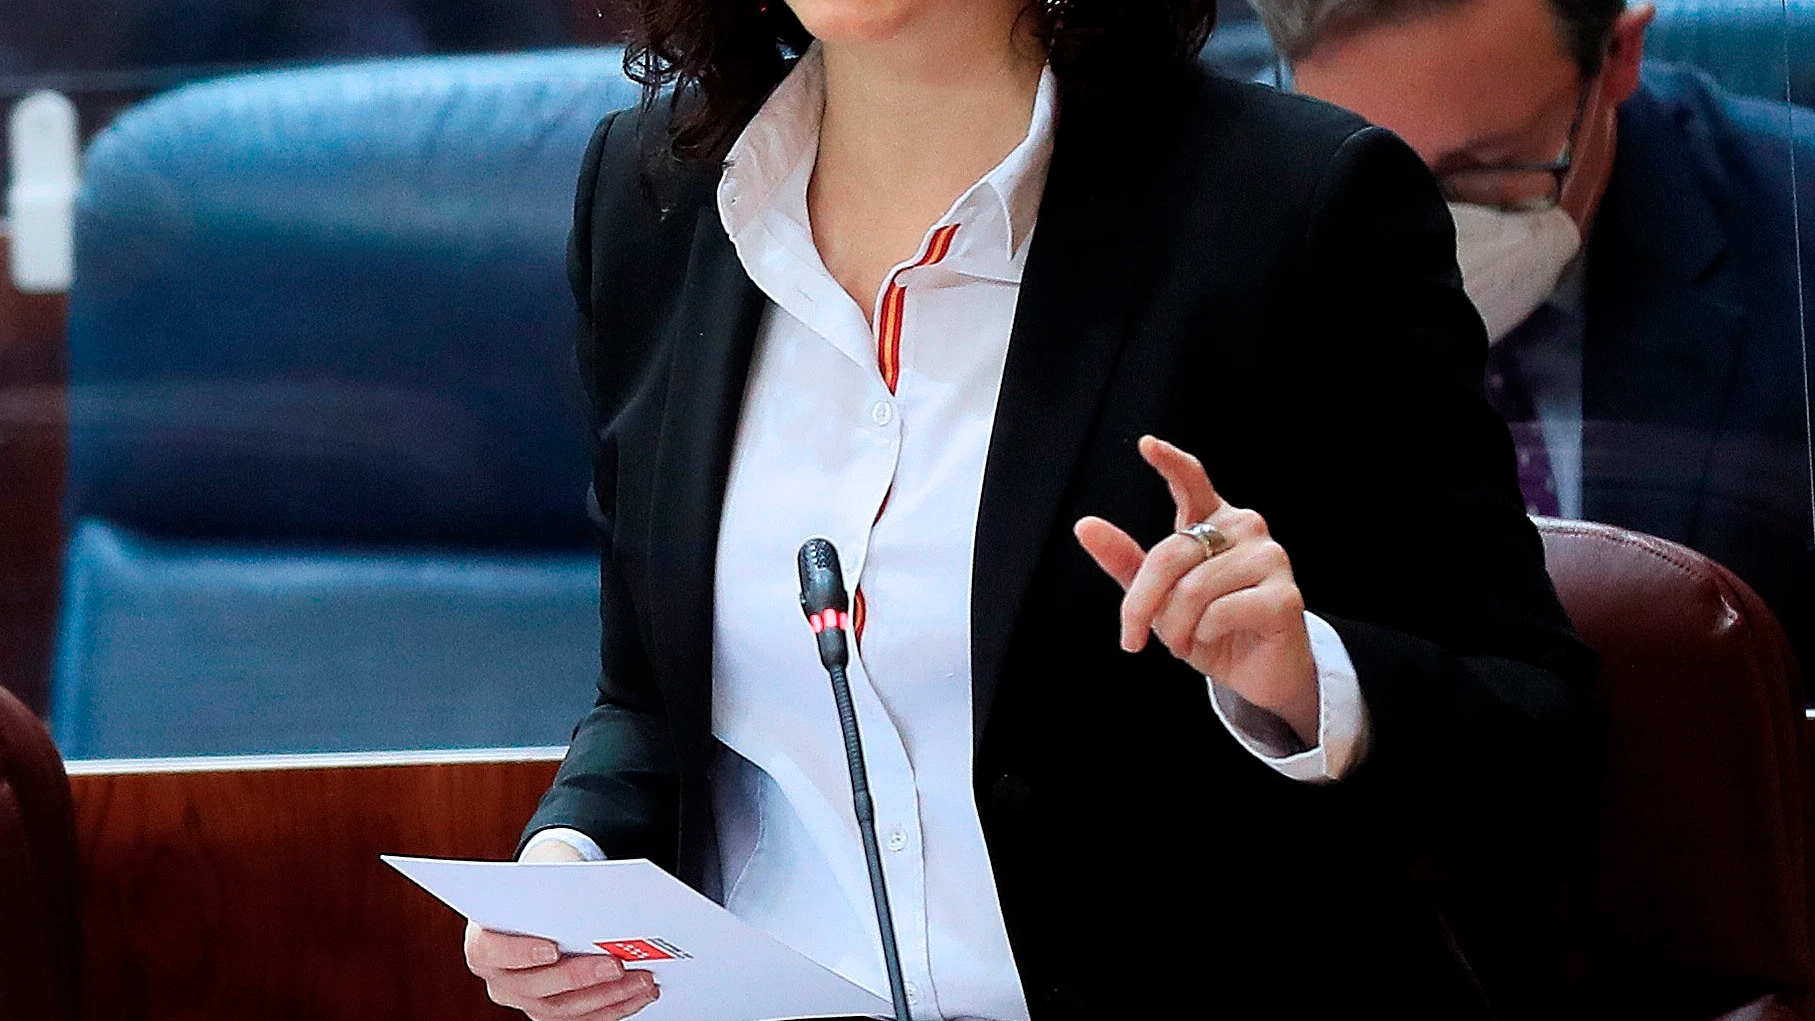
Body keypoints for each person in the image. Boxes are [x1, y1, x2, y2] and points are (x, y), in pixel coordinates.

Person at [463, 0, 1600, 1017]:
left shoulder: (1296, 206)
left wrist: (1303, 676)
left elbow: (1537, 744)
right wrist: (573, 856)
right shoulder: (651, 193)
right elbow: (651, 703)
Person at [1253, 0, 1815, 671]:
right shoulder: (1222, 235)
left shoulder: (1795, 230)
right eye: (1357, 167)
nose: (1417, 225)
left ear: (1616, 55)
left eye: (1482, 169)